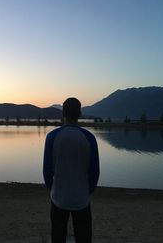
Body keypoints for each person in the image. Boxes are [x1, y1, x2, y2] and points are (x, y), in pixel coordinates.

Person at [43, 97, 100, 243]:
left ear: (63, 113)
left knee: (58, 236)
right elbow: (94, 172)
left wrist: (53, 189)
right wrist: (87, 192)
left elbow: (47, 171)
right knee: (83, 237)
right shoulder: (89, 138)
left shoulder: (52, 137)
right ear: (80, 113)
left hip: (58, 197)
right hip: (81, 198)